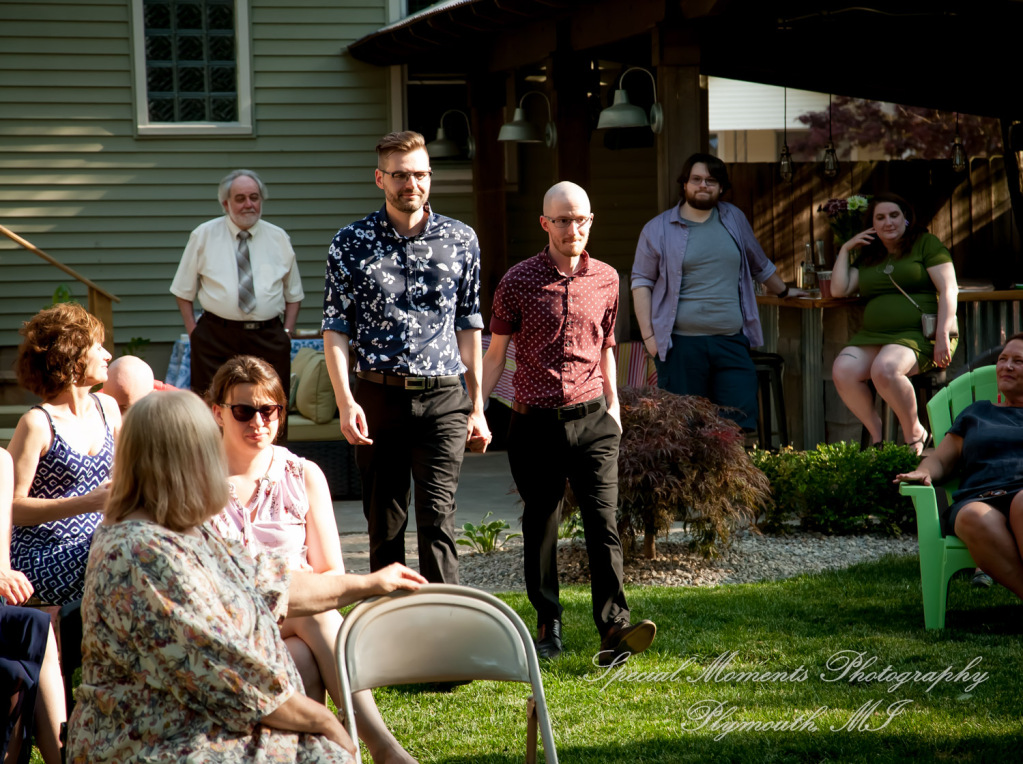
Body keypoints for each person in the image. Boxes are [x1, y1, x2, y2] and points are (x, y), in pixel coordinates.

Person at [67, 390, 427, 763]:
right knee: (326, 753)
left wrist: (371, 583)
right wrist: (320, 719)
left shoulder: (181, 530)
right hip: (159, 739)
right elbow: (217, 668)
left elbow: (270, 582)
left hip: (205, 720)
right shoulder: (141, 551)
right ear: (183, 460)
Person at [206, 355, 416, 764]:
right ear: (218, 412)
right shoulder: (196, 481)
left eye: (269, 410)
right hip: (229, 624)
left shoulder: (302, 474)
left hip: (296, 623)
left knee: (304, 650)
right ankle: (380, 746)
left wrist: (290, 593)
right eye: (244, 411)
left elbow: (330, 574)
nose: (258, 422)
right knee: (311, 620)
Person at [482, 181, 655, 666]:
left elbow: (606, 346)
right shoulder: (517, 280)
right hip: (534, 425)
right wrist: (477, 407)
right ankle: (547, 625)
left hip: (594, 419)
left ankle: (614, 629)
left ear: (590, 221)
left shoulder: (606, 278)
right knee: (541, 525)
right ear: (545, 224)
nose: (571, 228)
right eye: (561, 220)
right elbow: (496, 354)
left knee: (604, 523)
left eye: (580, 219)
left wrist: (615, 405)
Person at [321, 131, 489, 584]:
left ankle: (446, 629)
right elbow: (335, 329)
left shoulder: (461, 239)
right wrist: (345, 401)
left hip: (444, 400)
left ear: (430, 177)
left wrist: (477, 407)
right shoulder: (349, 243)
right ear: (380, 178)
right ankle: (388, 631)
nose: (410, 184)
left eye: (419, 174)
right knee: (385, 523)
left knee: (439, 521)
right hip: (378, 397)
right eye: (399, 175)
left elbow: (469, 325)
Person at [632, 153, 804, 431]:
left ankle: (731, 477)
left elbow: (758, 263)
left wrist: (784, 291)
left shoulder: (733, 218)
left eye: (711, 181)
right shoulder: (658, 229)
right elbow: (641, 282)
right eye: (696, 179)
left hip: (730, 342)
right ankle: (691, 477)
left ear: (721, 187)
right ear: (684, 184)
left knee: (737, 426)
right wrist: (649, 337)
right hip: (681, 346)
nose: (703, 185)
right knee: (684, 428)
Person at [7, 303, 121, 606]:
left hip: (101, 542)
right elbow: (11, 508)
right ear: (71, 357)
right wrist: (87, 503)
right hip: (45, 552)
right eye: (98, 347)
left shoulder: (107, 409)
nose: (108, 355)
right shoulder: (38, 424)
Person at [895, 334, 1023, 600]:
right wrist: (925, 471)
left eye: (1018, 361)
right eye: (1002, 359)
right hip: (980, 498)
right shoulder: (977, 413)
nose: (1006, 366)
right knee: (970, 517)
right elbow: (941, 458)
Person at [831, 192, 958, 454]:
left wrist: (943, 334)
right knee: (843, 369)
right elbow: (839, 289)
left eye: (894, 215)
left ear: (906, 218)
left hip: (921, 334)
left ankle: (915, 433)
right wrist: (845, 248)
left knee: (885, 369)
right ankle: (878, 437)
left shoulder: (926, 244)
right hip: (876, 336)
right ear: (872, 225)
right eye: (880, 217)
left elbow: (949, 289)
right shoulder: (870, 255)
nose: (888, 222)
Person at [170, 169, 303, 403]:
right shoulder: (203, 235)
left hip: (268, 337)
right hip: (215, 337)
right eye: (240, 198)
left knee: (271, 405)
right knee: (211, 405)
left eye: (254, 197)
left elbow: (293, 294)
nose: (248, 204)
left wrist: (287, 332)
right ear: (225, 203)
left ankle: (272, 442)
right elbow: (183, 291)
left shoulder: (279, 238)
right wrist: (195, 333)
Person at [1, 448, 65, 764]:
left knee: (36, 626)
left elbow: (1, 560)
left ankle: (64, 757)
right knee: (10, 670)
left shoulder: (0, 462)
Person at [100, 355, 176, 415]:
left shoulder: (178, 414)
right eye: (110, 408)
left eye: (127, 409)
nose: (118, 416)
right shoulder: (94, 410)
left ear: (152, 397)